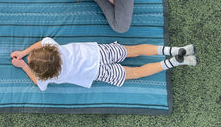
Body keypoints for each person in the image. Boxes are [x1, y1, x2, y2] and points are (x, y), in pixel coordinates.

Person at [11, 37, 197, 91]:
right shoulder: (53, 46)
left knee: (136, 73)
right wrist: (24, 52)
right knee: (135, 50)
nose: (27, 59)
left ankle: (175, 62)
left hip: (99, 72)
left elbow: (37, 82)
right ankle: (175, 50)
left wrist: (24, 67)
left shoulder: (50, 77)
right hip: (101, 52)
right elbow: (41, 43)